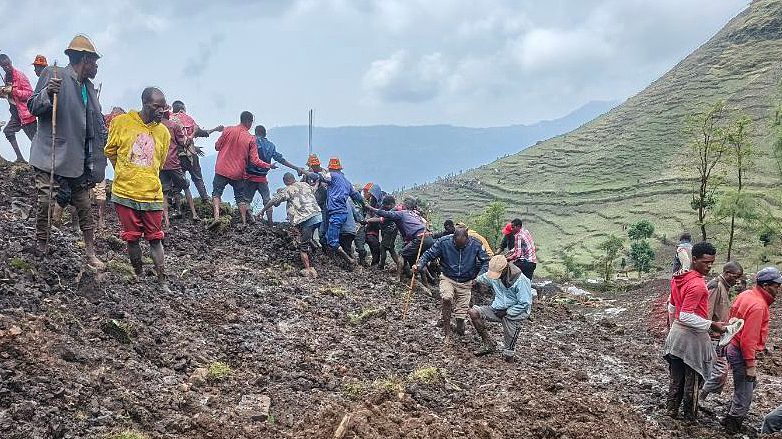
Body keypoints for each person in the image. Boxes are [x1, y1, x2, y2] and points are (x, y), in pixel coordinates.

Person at [27, 35, 106, 268]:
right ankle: (41, 243)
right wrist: (46, 94)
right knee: (44, 200)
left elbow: (93, 125)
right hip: (50, 152)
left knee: (84, 206)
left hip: (77, 158)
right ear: (84, 59)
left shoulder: (88, 89)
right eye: (94, 61)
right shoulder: (54, 75)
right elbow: (32, 106)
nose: (97, 66)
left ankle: (90, 253)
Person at [105, 87, 170, 288]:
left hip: (151, 194)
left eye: (163, 107)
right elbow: (111, 151)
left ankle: (162, 280)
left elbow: (160, 161)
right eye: (156, 107)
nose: (161, 111)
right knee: (131, 238)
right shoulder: (121, 123)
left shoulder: (163, 132)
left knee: (155, 238)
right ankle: (139, 275)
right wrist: (124, 172)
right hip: (125, 193)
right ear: (144, 103)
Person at [663, 241, 726, 423]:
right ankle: (690, 419)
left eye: (712, 263)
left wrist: (671, 329)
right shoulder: (698, 285)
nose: (709, 267)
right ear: (695, 259)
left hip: (676, 337)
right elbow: (686, 316)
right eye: (706, 263)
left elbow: (673, 306)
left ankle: (670, 413)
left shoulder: (678, 278)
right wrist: (713, 325)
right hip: (691, 340)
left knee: (676, 379)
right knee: (692, 381)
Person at [723, 266, 781, 433]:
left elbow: (731, 318)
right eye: (776, 286)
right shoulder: (758, 306)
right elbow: (749, 340)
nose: (778, 289)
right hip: (741, 351)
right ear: (765, 286)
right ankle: (732, 429)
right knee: (745, 395)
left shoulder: (746, 295)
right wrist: (750, 365)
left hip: (733, 345)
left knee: (747, 386)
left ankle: (729, 417)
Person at [415, 225, 490, 345]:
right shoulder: (443, 242)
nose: (461, 247)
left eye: (463, 245)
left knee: (461, 317)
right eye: (457, 245)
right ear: (453, 240)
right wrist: (419, 265)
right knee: (446, 298)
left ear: (468, 240)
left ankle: (459, 326)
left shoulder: (476, 243)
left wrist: (479, 277)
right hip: (447, 277)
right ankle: (447, 333)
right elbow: (428, 254)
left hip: (466, 281)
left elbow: (486, 261)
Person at [212, 111, 272, 225]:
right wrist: (268, 165)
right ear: (249, 122)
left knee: (216, 193)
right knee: (240, 198)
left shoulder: (228, 130)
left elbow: (217, 146)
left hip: (222, 169)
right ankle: (244, 222)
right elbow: (255, 160)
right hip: (238, 173)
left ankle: (216, 217)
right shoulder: (250, 139)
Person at [469, 254, 533, 361]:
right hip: (497, 309)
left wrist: (507, 312)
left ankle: (509, 355)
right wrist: (474, 281)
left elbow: (524, 303)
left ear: (505, 269)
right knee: (473, 312)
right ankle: (488, 343)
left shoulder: (520, 280)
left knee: (508, 355)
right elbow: (484, 278)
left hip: (514, 313)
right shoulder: (493, 276)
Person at [260, 172, 322, 278]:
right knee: (307, 236)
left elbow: (274, 201)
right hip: (318, 216)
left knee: (302, 247)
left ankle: (308, 269)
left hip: (306, 219)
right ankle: (314, 247)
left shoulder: (288, 189)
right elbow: (314, 188)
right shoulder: (305, 185)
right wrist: (317, 182)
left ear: (285, 181)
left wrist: (262, 211)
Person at [305, 158, 364, 266]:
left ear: (330, 168)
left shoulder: (332, 176)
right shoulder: (346, 182)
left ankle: (349, 261)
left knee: (332, 242)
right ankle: (341, 262)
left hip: (337, 215)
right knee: (329, 240)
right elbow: (356, 195)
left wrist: (304, 172)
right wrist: (365, 204)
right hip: (345, 220)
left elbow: (317, 176)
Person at [700, 261, 744, 401]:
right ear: (727, 273)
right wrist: (711, 331)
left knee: (718, 370)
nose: (737, 281)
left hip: (719, 336)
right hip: (711, 336)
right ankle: (699, 396)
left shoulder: (725, 287)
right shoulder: (715, 286)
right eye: (735, 277)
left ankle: (700, 396)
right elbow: (706, 314)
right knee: (716, 370)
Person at [367, 196, 432, 285]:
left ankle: (397, 278)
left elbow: (386, 214)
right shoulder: (415, 214)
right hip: (428, 237)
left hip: (419, 237)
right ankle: (426, 283)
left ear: (405, 205)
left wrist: (370, 208)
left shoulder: (402, 213)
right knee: (419, 260)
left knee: (401, 254)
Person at [245, 125, 304, 222]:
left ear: (255, 133)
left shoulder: (252, 142)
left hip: (250, 177)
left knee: (246, 200)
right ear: (265, 134)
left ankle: (250, 219)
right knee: (267, 200)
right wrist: (296, 167)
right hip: (262, 178)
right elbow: (281, 160)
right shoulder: (271, 146)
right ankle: (270, 223)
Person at [169, 100, 223, 201]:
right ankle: (205, 198)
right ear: (182, 109)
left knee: (177, 180)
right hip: (190, 154)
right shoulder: (188, 119)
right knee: (197, 178)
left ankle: (175, 202)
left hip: (175, 155)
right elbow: (202, 132)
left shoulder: (168, 119)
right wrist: (215, 129)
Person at [160, 108, 199, 227]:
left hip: (161, 164)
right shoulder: (174, 125)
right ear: (168, 113)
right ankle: (194, 214)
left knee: (164, 193)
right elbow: (183, 142)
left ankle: (166, 221)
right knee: (185, 186)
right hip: (173, 162)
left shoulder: (155, 126)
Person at [0, 53, 36, 162]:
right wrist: (3, 93)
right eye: (4, 66)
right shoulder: (6, 77)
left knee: (35, 141)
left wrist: (13, 91)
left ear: (11, 62)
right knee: (8, 131)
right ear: (1, 67)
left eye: (8, 65)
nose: (7, 67)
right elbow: (10, 97)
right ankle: (20, 158)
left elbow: (30, 94)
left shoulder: (20, 76)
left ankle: (43, 163)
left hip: (26, 115)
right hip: (16, 115)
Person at [362, 183, 384, 267]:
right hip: (370, 227)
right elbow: (368, 212)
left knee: (375, 246)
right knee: (373, 244)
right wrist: (366, 220)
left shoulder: (381, 204)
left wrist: (368, 220)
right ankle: (374, 263)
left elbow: (378, 215)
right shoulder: (372, 202)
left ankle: (375, 263)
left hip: (375, 227)